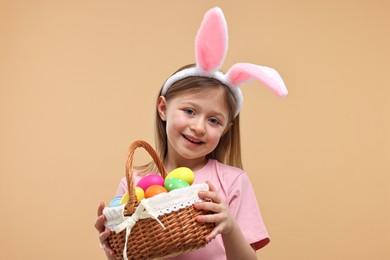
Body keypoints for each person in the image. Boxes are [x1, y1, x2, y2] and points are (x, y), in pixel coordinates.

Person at [95, 7, 287, 260]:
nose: (199, 127)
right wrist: (115, 251)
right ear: (163, 108)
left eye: (214, 120)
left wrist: (228, 226)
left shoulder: (231, 182)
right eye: (189, 111)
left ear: (226, 129)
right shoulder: (134, 183)